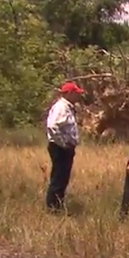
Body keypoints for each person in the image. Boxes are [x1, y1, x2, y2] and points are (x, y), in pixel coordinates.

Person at [44, 81, 84, 212]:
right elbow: (52, 126)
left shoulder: (67, 107)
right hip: (60, 148)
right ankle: (53, 208)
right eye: (76, 93)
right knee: (58, 178)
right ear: (70, 93)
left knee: (62, 178)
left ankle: (58, 206)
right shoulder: (61, 107)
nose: (78, 96)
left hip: (64, 148)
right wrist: (63, 144)